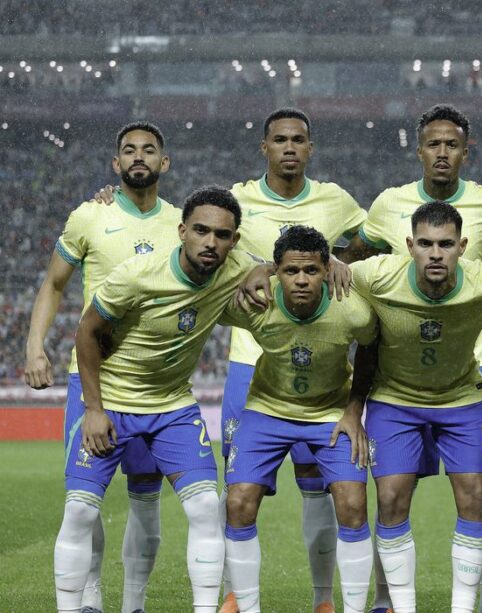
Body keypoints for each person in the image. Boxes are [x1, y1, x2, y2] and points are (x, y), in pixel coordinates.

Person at [92, 108, 364, 613]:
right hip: (249, 363)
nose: (288, 147)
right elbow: (185, 223)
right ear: (264, 147)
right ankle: (234, 595)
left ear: (310, 148)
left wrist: (341, 261)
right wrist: (113, 199)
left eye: (298, 140)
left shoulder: (337, 200)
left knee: (318, 489)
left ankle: (324, 600)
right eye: (278, 139)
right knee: (237, 493)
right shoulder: (238, 199)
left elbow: (375, 240)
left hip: (314, 363)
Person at [342, 104, 482, 613]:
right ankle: (389, 601)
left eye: (452, 144)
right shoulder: (389, 206)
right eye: (433, 144)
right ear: (419, 150)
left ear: (466, 151)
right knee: (391, 496)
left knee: (479, 493)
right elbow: (348, 257)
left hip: (471, 367)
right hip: (397, 375)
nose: (442, 152)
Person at [54, 185, 254, 613]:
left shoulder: (237, 268)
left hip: (172, 407)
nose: (210, 242)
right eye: (201, 231)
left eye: (222, 235)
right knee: (80, 511)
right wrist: (94, 409)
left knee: (205, 505)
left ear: (234, 241)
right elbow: (87, 331)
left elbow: (285, 266)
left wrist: (277, 267)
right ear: (182, 231)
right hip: (113, 400)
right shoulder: (137, 274)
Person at [27, 122, 178, 613]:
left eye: (149, 150)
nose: (139, 157)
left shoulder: (183, 225)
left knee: (146, 500)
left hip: (153, 383)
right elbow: (53, 284)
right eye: (129, 150)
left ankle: (134, 604)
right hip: (92, 378)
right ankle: (89, 594)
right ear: (116, 164)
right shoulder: (90, 215)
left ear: (164, 162)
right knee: (84, 500)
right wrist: (34, 346)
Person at [219, 226, 378, 613]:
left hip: (330, 413)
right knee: (238, 502)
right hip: (267, 409)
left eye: (311, 270)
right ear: (277, 271)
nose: (302, 280)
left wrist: (354, 409)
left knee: (353, 504)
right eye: (291, 271)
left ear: (327, 269)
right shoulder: (255, 302)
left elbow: (372, 347)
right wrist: (254, 271)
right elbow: (206, 290)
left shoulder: (352, 309)